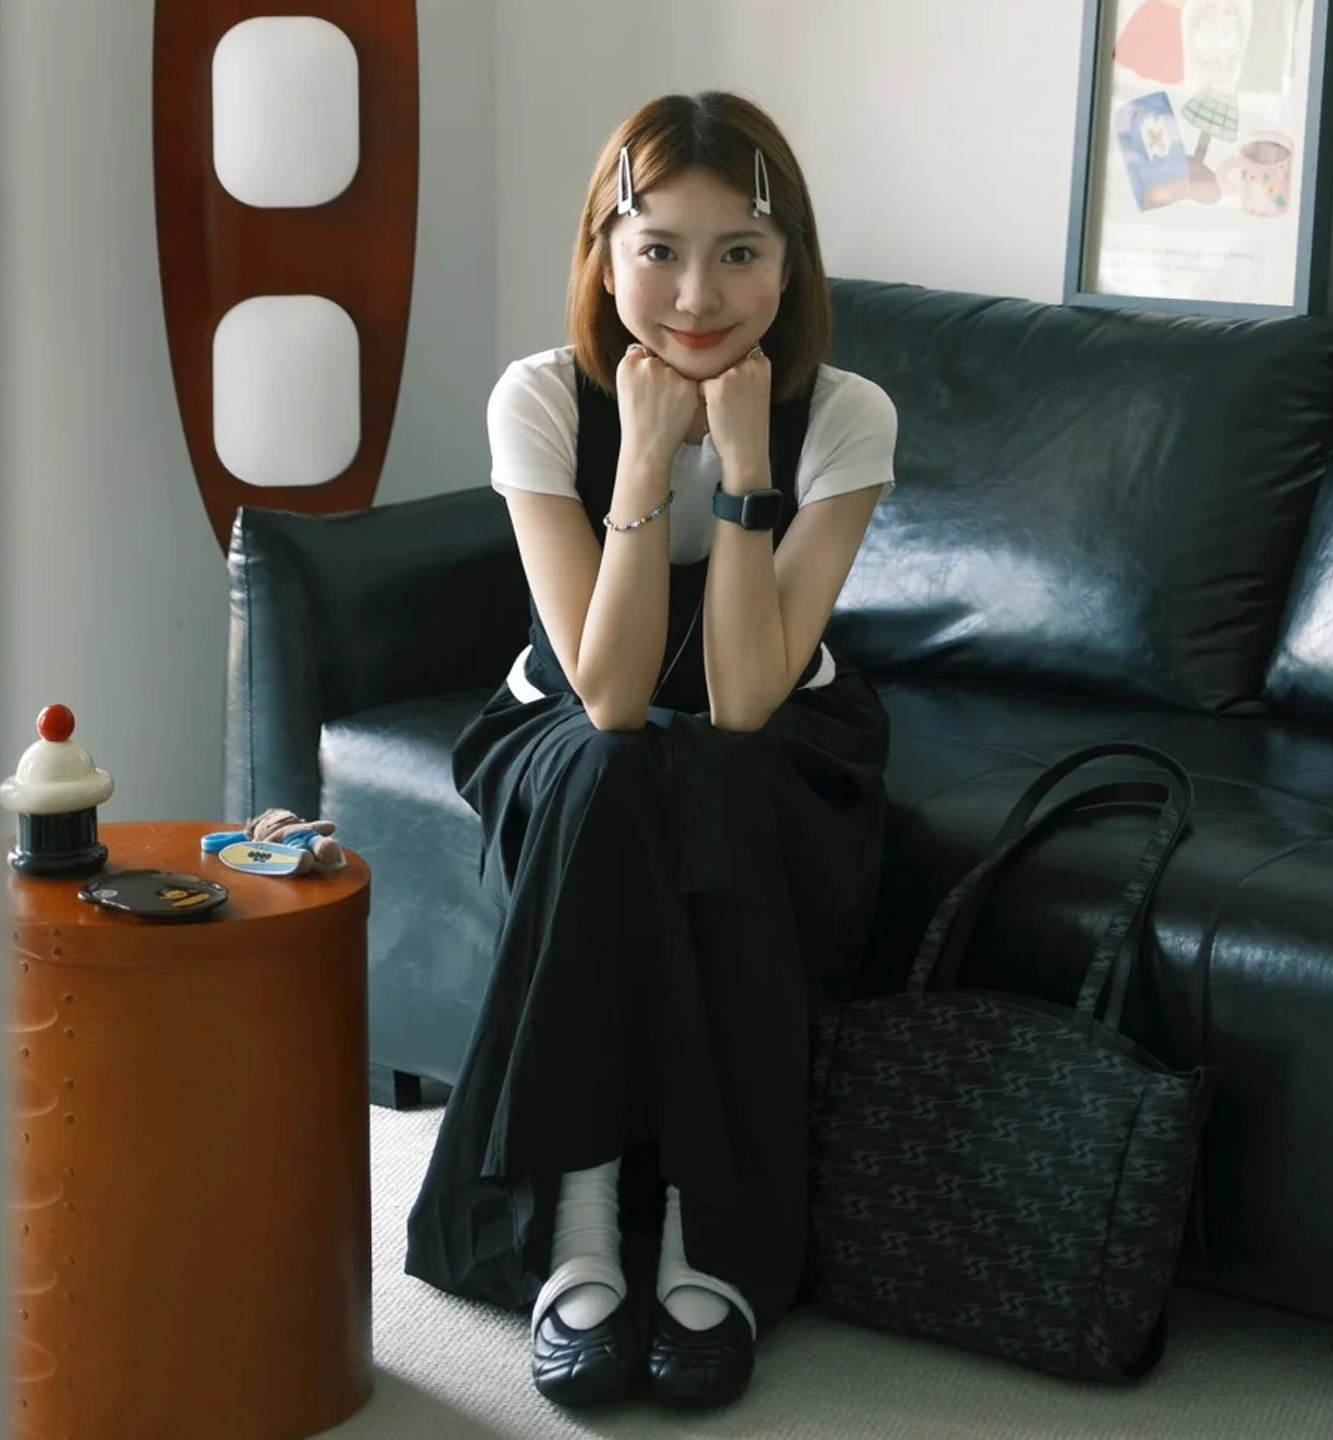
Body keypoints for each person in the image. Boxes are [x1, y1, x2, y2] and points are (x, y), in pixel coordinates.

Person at [403, 90, 898, 1411]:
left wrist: (740, 473)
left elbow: (743, 701)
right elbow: (610, 696)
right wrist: (640, 464)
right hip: (568, 723)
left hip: (779, 733)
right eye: (660, 250)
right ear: (603, 253)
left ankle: (709, 1241)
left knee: (714, 780)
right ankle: (577, 1233)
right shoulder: (536, 398)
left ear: (790, 264)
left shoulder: (847, 413)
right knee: (612, 770)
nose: (697, 294)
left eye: (740, 251)